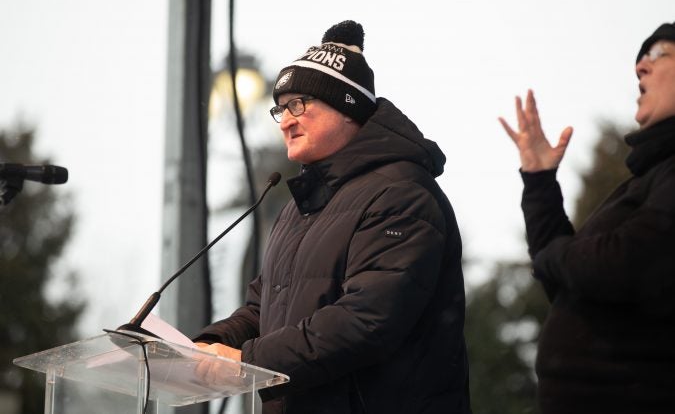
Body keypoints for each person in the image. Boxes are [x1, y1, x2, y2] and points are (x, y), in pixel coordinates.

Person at [193, 20, 471, 414]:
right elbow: (264, 308)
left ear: (347, 108)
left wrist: (249, 360)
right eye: (280, 108)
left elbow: (367, 319)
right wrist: (203, 346)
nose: (286, 120)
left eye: (298, 104)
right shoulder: (299, 207)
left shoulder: (401, 193)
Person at [499, 21, 675, 414]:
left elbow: (626, 263)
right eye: (639, 58)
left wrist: (557, 255)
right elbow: (569, 282)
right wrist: (540, 181)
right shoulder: (646, 180)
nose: (639, 67)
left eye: (658, 54)